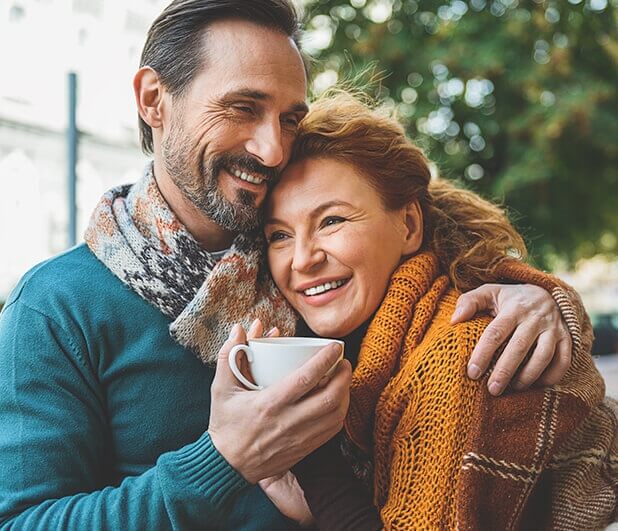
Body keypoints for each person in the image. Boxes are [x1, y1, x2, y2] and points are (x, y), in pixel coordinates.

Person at [0, 0, 582, 528]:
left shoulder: (310, 278)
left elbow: (428, 231)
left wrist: (528, 291)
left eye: (289, 119)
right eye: (242, 107)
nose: (273, 149)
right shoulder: (57, 307)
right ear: (154, 99)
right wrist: (222, 461)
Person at [247, 92, 617, 529]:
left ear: (408, 225)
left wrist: (311, 466)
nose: (302, 259)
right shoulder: (370, 343)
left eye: (332, 221)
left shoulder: (458, 354)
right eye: (279, 236)